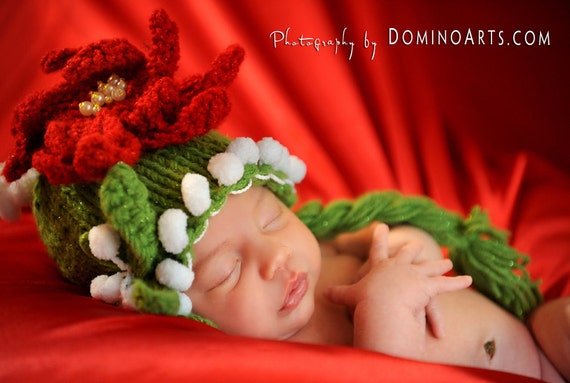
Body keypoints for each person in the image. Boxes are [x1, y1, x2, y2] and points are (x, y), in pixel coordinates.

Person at [1, 9, 567, 383]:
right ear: (179, 309)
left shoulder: (318, 248)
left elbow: (376, 233)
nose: (276, 259)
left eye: (272, 219)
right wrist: (385, 304)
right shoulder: (288, 351)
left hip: (539, 336)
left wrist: (403, 245)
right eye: (226, 273)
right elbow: (382, 372)